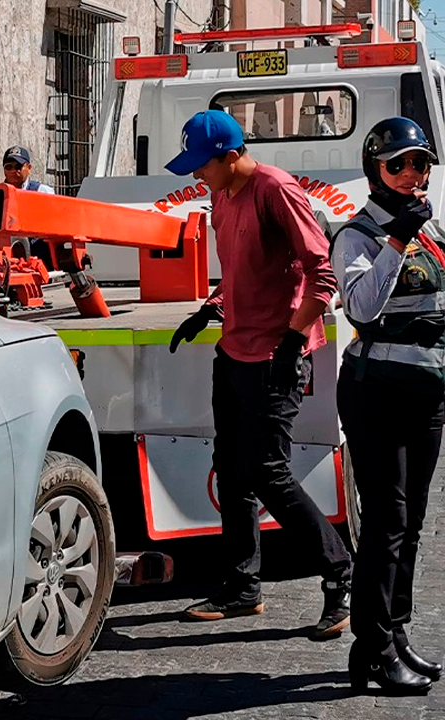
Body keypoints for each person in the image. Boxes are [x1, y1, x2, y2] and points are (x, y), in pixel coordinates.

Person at [167, 109, 353, 639]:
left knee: (268, 471)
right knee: (231, 470)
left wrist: (294, 340)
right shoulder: (223, 197)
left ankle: (340, 574)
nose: (196, 174)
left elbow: (322, 273)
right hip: (234, 353)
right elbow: (241, 269)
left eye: (202, 165)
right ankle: (243, 587)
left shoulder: (276, 190)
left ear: (231, 157)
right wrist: (211, 307)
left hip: (276, 355)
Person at [333, 116, 443, 695]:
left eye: (418, 163)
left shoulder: (432, 229)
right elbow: (363, 308)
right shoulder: (357, 235)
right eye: (397, 164)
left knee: (413, 523)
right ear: (375, 170)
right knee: (386, 524)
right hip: (376, 392)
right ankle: (372, 649)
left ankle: (395, 635)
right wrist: (397, 239)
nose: (409, 173)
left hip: (426, 392)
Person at [0, 145, 56, 266]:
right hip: (2, 249)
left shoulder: (42, 191)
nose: (14, 171)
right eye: (9, 167)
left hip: (36, 251)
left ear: (28, 168)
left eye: (18, 166)